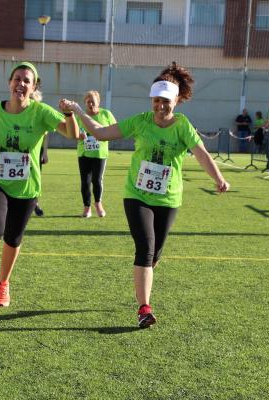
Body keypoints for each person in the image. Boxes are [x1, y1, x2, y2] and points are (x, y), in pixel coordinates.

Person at [61, 62, 230, 328]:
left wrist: (219, 178)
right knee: (145, 247)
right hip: (137, 195)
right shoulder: (140, 122)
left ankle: (143, 283)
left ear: (176, 101)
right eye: (156, 101)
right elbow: (100, 132)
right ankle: (144, 308)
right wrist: (78, 110)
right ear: (150, 100)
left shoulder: (182, 126)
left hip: (168, 198)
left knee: (154, 255)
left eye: (166, 101)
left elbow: (201, 154)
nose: (160, 107)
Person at [0, 61, 79, 307]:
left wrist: (70, 114)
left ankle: (3, 282)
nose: (20, 83)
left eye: (26, 80)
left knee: (13, 238)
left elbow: (72, 134)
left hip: (26, 185)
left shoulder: (41, 112)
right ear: (9, 82)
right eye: (17, 78)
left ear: (33, 87)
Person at [76, 90, 115, 218]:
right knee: (85, 182)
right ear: (85, 103)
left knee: (97, 180)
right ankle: (87, 207)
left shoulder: (106, 114)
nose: (90, 104)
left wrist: (105, 134)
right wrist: (79, 135)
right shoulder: (80, 115)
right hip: (84, 153)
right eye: (88, 102)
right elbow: (73, 131)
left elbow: (115, 129)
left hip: (100, 154)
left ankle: (98, 204)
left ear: (98, 102)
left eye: (93, 101)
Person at [34, 135, 49, 217]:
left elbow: (45, 135)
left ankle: (35, 203)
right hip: (22, 147)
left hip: (38, 149)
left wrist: (45, 152)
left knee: (36, 177)